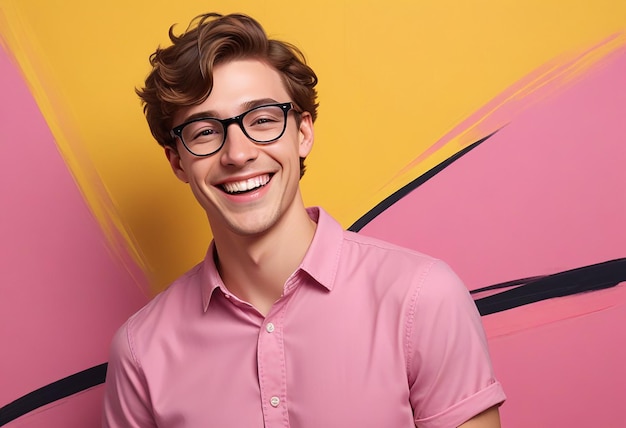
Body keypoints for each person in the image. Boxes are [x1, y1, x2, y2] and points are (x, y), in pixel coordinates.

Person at [102, 12, 506, 428]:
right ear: (177, 161)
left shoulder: (421, 299)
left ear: (303, 134)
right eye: (204, 131)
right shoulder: (140, 353)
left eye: (262, 120)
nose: (238, 154)